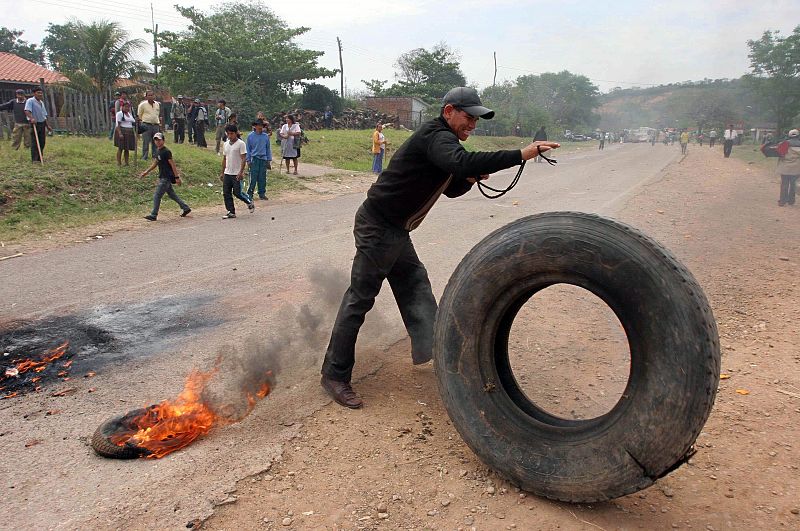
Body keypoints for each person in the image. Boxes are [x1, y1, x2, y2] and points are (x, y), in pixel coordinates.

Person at [319, 86, 560, 409]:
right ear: (448, 111)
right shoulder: (437, 136)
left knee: (415, 285)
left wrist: (470, 178)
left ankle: (434, 352)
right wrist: (521, 154)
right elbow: (459, 163)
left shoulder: (443, 143)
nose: (473, 125)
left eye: (476, 119)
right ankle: (334, 375)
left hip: (395, 229)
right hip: (378, 227)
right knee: (360, 299)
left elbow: (450, 188)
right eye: (468, 117)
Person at [140, 132, 191, 221]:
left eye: (159, 140)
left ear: (163, 140)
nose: (157, 142)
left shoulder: (166, 152)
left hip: (166, 177)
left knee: (157, 195)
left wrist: (177, 177)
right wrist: (146, 172)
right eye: (156, 140)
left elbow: (173, 165)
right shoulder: (158, 151)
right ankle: (185, 207)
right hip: (163, 176)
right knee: (172, 195)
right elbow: (156, 163)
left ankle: (153, 214)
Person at [220, 124, 255, 218]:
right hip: (228, 172)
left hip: (236, 173)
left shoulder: (241, 144)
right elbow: (224, 158)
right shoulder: (226, 144)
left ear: (236, 133)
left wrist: (241, 172)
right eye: (228, 134)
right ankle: (231, 211)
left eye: (232, 134)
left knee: (237, 192)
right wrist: (222, 172)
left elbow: (243, 158)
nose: (230, 136)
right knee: (226, 193)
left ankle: (248, 201)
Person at [246, 118, 273, 200]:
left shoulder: (265, 137)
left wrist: (269, 160)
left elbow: (268, 148)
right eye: (258, 125)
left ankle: (262, 193)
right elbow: (248, 149)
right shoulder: (250, 136)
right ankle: (250, 193)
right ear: (255, 126)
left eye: (261, 125)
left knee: (262, 177)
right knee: (253, 178)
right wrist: (248, 160)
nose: (260, 127)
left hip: (263, 158)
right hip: (254, 158)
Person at [24, 87, 52, 163]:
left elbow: (44, 115)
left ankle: (40, 158)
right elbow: (27, 111)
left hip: (42, 123)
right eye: (38, 92)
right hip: (34, 124)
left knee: (42, 141)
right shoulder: (30, 101)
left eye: (41, 93)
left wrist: (47, 125)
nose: (40, 94)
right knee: (35, 141)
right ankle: (35, 159)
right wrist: (31, 118)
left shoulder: (41, 102)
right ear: (34, 93)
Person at [776, 129, 800, 206]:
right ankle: (791, 201)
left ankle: (782, 201)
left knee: (784, 184)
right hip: (796, 167)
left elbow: (780, 153)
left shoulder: (784, 144)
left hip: (785, 167)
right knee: (793, 184)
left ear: (789, 135)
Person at [137, 90, 163, 160]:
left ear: (154, 96)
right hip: (146, 124)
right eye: (149, 95)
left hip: (155, 125)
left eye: (152, 95)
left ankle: (155, 156)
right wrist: (140, 125)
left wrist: (159, 124)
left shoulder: (157, 104)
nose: (151, 96)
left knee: (155, 141)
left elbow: (157, 114)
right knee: (146, 141)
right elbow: (139, 115)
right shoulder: (142, 105)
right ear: (146, 96)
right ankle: (144, 156)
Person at [114, 101, 137, 166]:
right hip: (122, 131)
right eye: (125, 107)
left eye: (128, 107)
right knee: (120, 148)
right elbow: (118, 124)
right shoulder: (119, 114)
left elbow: (133, 122)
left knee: (127, 148)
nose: (127, 108)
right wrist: (120, 133)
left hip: (129, 132)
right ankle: (119, 163)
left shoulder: (129, 114)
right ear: (122, 107)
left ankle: (126, 163)